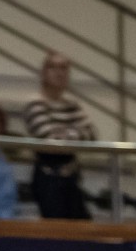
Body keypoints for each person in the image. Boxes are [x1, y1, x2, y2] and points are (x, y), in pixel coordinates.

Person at [23, 50, 94, 219]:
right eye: (53, 67)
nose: (59, 73)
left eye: (64, 68)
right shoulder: (35, 103)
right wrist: (73, 133)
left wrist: (64, 134)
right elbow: (50, 139)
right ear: (44, 73)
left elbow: (91, 134)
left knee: (84, 228)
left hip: (71, 177)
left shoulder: (71, 104)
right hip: (48, 178)